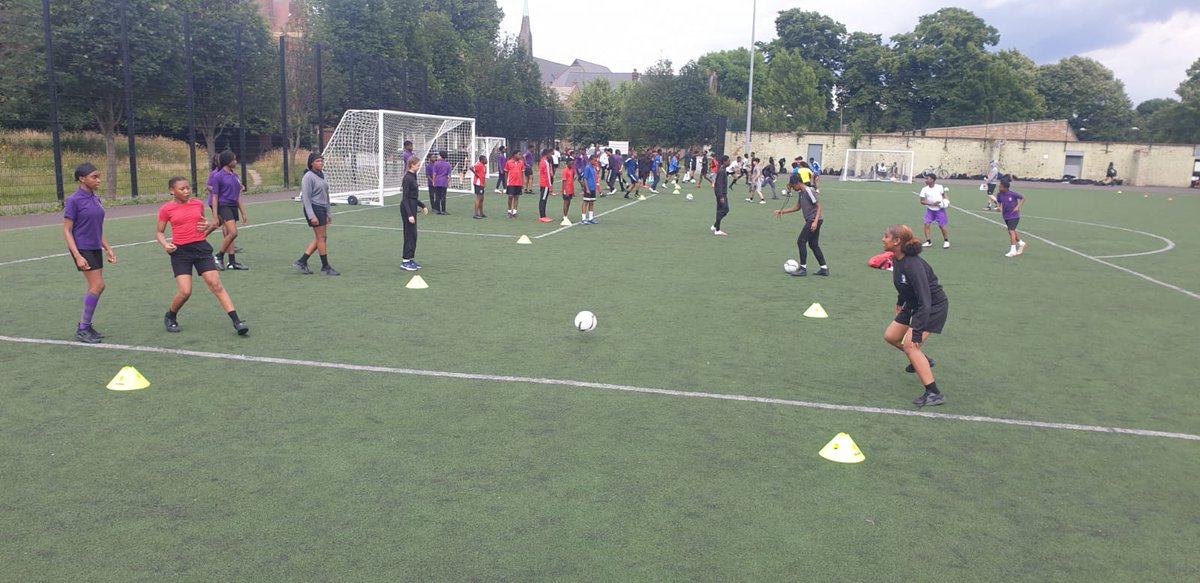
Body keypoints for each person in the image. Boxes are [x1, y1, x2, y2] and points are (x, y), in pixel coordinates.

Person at [156, 177, 249, 335]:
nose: (186, 191)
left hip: (201, 249)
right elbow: (159, 232)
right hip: (180, 253)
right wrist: (166, 245)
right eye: (182, 189)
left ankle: (236, 321)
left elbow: (202, 225)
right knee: (185, 292)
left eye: (188, 188)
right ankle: (170, 315)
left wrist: (207, 226)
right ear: (172, 191)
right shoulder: (166, 209)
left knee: (216, 285)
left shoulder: (197, 204)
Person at [881, 224, 949, 407]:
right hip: (913, 304)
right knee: (891, 336)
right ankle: (924, 360)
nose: (883, 239)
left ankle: (933, 393)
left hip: (932, 307)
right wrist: (899, 301)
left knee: (911, 346)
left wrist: (917, 331)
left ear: (897, 241)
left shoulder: (913, 264)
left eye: (886, 237)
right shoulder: (897, 259)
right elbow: (903, 285)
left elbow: (925, 299)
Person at [62, 162, 116, 343]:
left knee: (97, 286)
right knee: (97, 285)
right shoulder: (73, 200)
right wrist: (77, 255)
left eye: (98, 176)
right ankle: (83, 328)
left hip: (94, 247)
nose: (98, 180)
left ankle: (86, 326)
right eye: (94, 177)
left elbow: (97, 228)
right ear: (82, 178)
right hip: (82, 248)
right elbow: (67, 230)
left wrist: (107, 247)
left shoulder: (96, 199)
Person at [293, 151, 338, 275]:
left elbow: (326, 195)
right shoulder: (308, 177)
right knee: (321, 237)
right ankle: (325, 267)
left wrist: (329, 212)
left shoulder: (324, 174)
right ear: (312, 163)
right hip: (314, 208)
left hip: (322, 208)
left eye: (322, 160)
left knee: (321, 237)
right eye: (318, 161)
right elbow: (306, 198)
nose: (321, 163)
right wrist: (311, 215)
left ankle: (302, 261)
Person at [774, 173, 828, 276]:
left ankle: (803, 269)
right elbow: (798, 207)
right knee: (813, 244)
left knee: (801, 241)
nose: (793, 188)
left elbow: (818, 205)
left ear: (798, 183)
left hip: (813, 220)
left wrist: (815, 222)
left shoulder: (808, 191)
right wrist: (783, 211)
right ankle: (824, 268)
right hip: (812, 220)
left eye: (793, 186)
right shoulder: (801, 192)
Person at [210, 150, 248, 270]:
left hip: (233, 206)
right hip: (224, 206)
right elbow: (215, 197)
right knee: (233, 232)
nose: (236, 161)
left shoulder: (235, 176)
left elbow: (237, 196)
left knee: (230, 235)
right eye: (234, 159)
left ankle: (232, 262)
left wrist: (243, 213)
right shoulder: (218, 176)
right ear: (228, 161)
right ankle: (219, 256)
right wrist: (215, 216)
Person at [400, 157, 429, 270]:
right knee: (409, 234)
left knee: (414, 235)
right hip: (407, 208)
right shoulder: (407, 178)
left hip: (412, 206)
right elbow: (405, 198)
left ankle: (411, 258)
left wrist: (422, 205)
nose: (419, 166)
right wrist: (409, 215)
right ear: (412, 165)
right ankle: (405, 260)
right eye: (417, 165)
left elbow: (413, 198)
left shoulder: (413, 176)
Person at [996, 178, 1027, 257]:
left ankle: (1013, 250)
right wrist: (999, 207)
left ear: (1005, 188)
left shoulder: (1012, 194)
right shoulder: (999, 194)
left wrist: (1018, 207)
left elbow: (1023, 198)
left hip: (1014, 215)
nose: (999, 187)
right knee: (1011, 230)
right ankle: (1021, 243)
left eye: (1000, 186)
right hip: (1006, 216)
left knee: (1011, 231)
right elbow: (999, 202)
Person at [918, 174, 950, 249]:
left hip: (939, 210)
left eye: (927, 179)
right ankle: (928, 241)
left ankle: (946, 241)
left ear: (932, 180)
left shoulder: (939, 187)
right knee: (926, 224)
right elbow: (922, 201)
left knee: (941, 226)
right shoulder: (924, 189)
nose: (925, 180)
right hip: (930, 210)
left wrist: (947, 202)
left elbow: (944, 195)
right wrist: (931, 204)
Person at [711, 155, 730, 236]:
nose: (729, 162)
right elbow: (719, 184)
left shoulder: (723, 169)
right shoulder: (722, 171)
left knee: (720, 210)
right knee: (725, 209)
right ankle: (717, 228)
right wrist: (721, 196)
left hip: (720, 193)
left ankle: (716, 226)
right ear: (724, 161)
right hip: (721, 194)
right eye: (728, 161)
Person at [580, 153, 599, 224]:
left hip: (593, 188)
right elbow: (585, 178)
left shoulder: (593, 167)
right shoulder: (587, 167)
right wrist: (587, 188)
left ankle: (590, 218)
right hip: (588, 188)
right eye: (594, 160)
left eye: (596, 160)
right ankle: (583, 218)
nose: (595, 162)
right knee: (585, 202)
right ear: (590, 160)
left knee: (591, 202)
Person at [537, 148, 555, 222]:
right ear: (547, 154)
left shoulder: (542, 161)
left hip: (543, 183)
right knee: (543, 199)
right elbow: (547, 175)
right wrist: (550, 186)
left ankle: (543, 215)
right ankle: (542, 216)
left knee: (543, 199)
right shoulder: (545, 162)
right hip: (545, 184)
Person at [504, 151, 524, 218]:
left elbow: (522, 173)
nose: (520, 156)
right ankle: (509, 211)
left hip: (518, 182)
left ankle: (515, 211)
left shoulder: (521, 163)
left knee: (516, 196)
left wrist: (522, 183)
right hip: (511, 182)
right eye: (519, 154)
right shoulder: (508, 162)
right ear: (514, 155)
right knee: (510, 196)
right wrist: (506, 181)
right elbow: (506, 172)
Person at [471, 154, 488, 219]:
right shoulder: (479, 165)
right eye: (485, 159)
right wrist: (476, 174)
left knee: (482, 198)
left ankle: (481, 213)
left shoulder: (484, 166)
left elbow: (483, 176)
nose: (487, 160)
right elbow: (471, 167)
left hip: (481, 184)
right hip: (478, 183)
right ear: (482, 160)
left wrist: (484, 183)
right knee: (478, 198)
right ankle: (476, 214)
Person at [560, 157, 576, 221]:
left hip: (570, 189)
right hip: (566, 189)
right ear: (567, 163)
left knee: (569, 202)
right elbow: (564, 181)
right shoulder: (565, 171)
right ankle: (565, 216)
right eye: (571, 163)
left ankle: (566, 215)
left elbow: (571, 179)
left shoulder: (572, 169)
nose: (572, 164)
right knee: (566, 202)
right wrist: (565, 191)